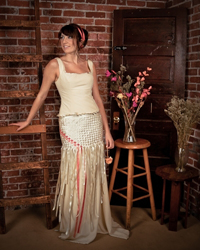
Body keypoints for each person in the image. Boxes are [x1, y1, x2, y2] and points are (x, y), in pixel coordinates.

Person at [10, 23, 129, 244]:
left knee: (92, 171)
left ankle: (91, 219)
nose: (64, 41)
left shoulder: (90, 65)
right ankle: (75, 222)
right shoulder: (54, 65)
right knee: (77, 173)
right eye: (62, 37)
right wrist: (28, 119)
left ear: (79, 41)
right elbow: (42, 94)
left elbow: (98, 100)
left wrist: (107, 132)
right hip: (70, 123)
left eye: (69, 38)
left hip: (93, 122)